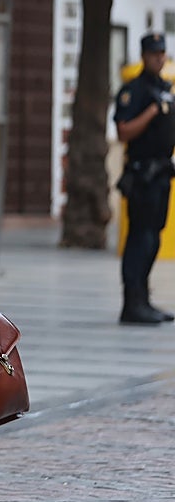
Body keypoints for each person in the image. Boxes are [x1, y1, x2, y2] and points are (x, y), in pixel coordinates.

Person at [113, 32, 175, 325]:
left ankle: (144, 299)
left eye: (162, 53)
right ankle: (132, 302)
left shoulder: (165, 88)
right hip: (141, 176)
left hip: (162, 173)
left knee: (153, 239)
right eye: (154, 53)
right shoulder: (134, 90)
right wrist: (151, 112)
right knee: (140, 238)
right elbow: (123, 131)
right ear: (144, 56)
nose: (159, 58)